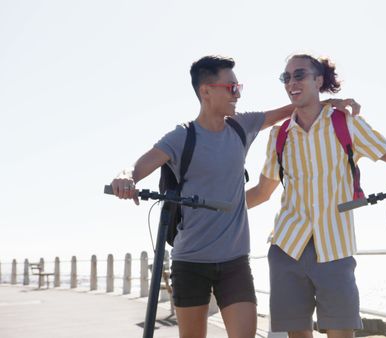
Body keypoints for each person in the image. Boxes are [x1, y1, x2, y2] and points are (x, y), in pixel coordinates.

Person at [109, 55, 359, 338]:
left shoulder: (241, 126)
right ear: (206, 91)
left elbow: (290, 110)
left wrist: (326, 103)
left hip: (234, 263)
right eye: (231, 87)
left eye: (238, 86)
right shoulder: (183, 136)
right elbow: (139, 165)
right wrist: (126, 177)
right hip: (190, 261)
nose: (238, 93)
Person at [246, 54, 386, 338]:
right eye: (286, 77)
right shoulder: (280, 136)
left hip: (336, 248)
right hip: (287, 248)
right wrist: (214, 210)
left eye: (299, 74)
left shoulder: (347, 124)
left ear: (319, 80)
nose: (292, 82)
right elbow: (261, 192)